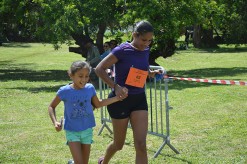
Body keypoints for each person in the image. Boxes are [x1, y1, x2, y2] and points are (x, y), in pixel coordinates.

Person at [95, 20, 160, 164]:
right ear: (134, 35)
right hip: (120, 101)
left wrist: (149, 73)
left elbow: (140, 68)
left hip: (139, 100)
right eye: (144, 40)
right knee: (119, 145)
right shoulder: (121, 50)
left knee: (141, 145)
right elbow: (99, 69)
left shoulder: (146, 50)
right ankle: (104, 161)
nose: (146, 44)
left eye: (150, 41)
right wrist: (115, 86)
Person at [48, 60, 126, 164]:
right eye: (80, 76)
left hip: (87, 131)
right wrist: (55, 122)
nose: (84, 79)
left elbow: (98, 104)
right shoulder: (64, 91)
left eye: (86, 76)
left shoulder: (90, 88)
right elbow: (51, 106)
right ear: (71, 75)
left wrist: (117, 98)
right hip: (72, 131)